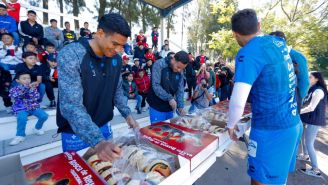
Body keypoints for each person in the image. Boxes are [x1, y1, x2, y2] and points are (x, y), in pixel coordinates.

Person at [227, 9, 302, 185]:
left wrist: (231, 125)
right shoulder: (278, 42)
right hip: (293, 122)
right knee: (279, 179)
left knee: (260, 180)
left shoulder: (248, 53)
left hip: (271, 130)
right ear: (259, 26)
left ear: (235, 34)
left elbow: (238, 99)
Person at [57, 13, 139, 161]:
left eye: (122, 45)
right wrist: (98, 141)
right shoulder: (71, 54)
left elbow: (117, 90)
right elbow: (71, 105)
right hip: (76, 132)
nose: (119, 49)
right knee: (81, 177)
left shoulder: (117, 60)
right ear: (100, 33)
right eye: (115, 44)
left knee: (109, 174)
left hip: (104, 127)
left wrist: (127, 114)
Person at [269, 31, 310, 111]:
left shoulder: (297, 56)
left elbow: (305, 83)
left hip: (291, 102)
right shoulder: (273, 56)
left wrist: (297, 100)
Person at [298, 71, 327, 177]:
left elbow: (311, 107)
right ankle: (305, 156)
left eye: (310, 77)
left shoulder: (318, 91)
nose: (308, 78)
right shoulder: (311, 88)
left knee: (309, 143)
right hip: (307, 119)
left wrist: (297, 111)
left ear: (316, 79)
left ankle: (315, 170)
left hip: (314, 121)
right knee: (302, 138)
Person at [147, 51, 189, 123]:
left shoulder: (180, 71)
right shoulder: (159, 64)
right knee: (158, 132)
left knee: (170, 132)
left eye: (182, 68)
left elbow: (180, 90)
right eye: (178, 67)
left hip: (170, 108)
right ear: (173, 59)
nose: (179, 70)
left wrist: (180, 107)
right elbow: (156, 85)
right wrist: (169, 98)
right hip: (157, 107)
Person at [9, 71, 48, 146]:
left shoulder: (32, 87)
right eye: (24, 78)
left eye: (28, 78)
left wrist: (32, 90)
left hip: (32, 107)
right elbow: (16, 95)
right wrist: (27, 88)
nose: (27, 80)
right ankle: (20, 135)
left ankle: (37, 128)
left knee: (44, 116)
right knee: (22, 118)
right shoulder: (14, 89)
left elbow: (36, 97)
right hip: (21, 108)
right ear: (17, 81)